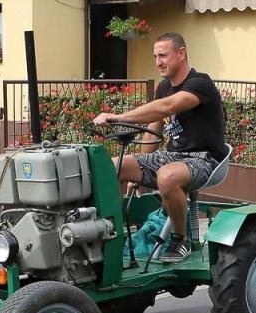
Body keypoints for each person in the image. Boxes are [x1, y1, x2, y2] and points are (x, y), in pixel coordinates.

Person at [92, 33, 226, 264]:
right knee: (114, 166)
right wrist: (139, 172)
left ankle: (179, 238)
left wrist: (118, 117)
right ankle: (111, 235)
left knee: (167, 176)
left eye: (163, 55)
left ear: (181, 53)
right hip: (172, 156)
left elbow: (168, 106)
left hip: (205, 159)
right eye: (155, 56)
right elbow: (153, 134)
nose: (158, 62)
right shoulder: (164, 87)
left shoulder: (200, 83)